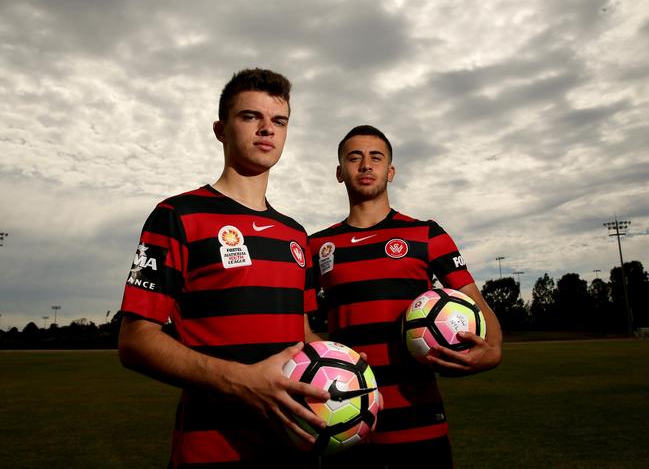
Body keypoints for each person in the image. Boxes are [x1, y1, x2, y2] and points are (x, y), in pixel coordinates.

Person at [118, 68, 328, 468]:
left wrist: (351, 380)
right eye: (251, 117)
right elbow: (136, 341)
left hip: (296, 446)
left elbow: (300, 333)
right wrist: (242, 381)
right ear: (220, 129)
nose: (267, 129)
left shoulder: (295, 234)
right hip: (212, 450)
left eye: (278, 121)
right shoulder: (178, 215)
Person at [308, 125, 503, 468]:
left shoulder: (426, 234)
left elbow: (477, 304)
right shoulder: (317, 245)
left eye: (376, 157)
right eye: (354, 157)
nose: (366, 165)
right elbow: (297, 323)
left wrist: (492, 352)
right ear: (340, 173)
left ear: (390, 171)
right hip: (345, 425)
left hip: (420, 423)